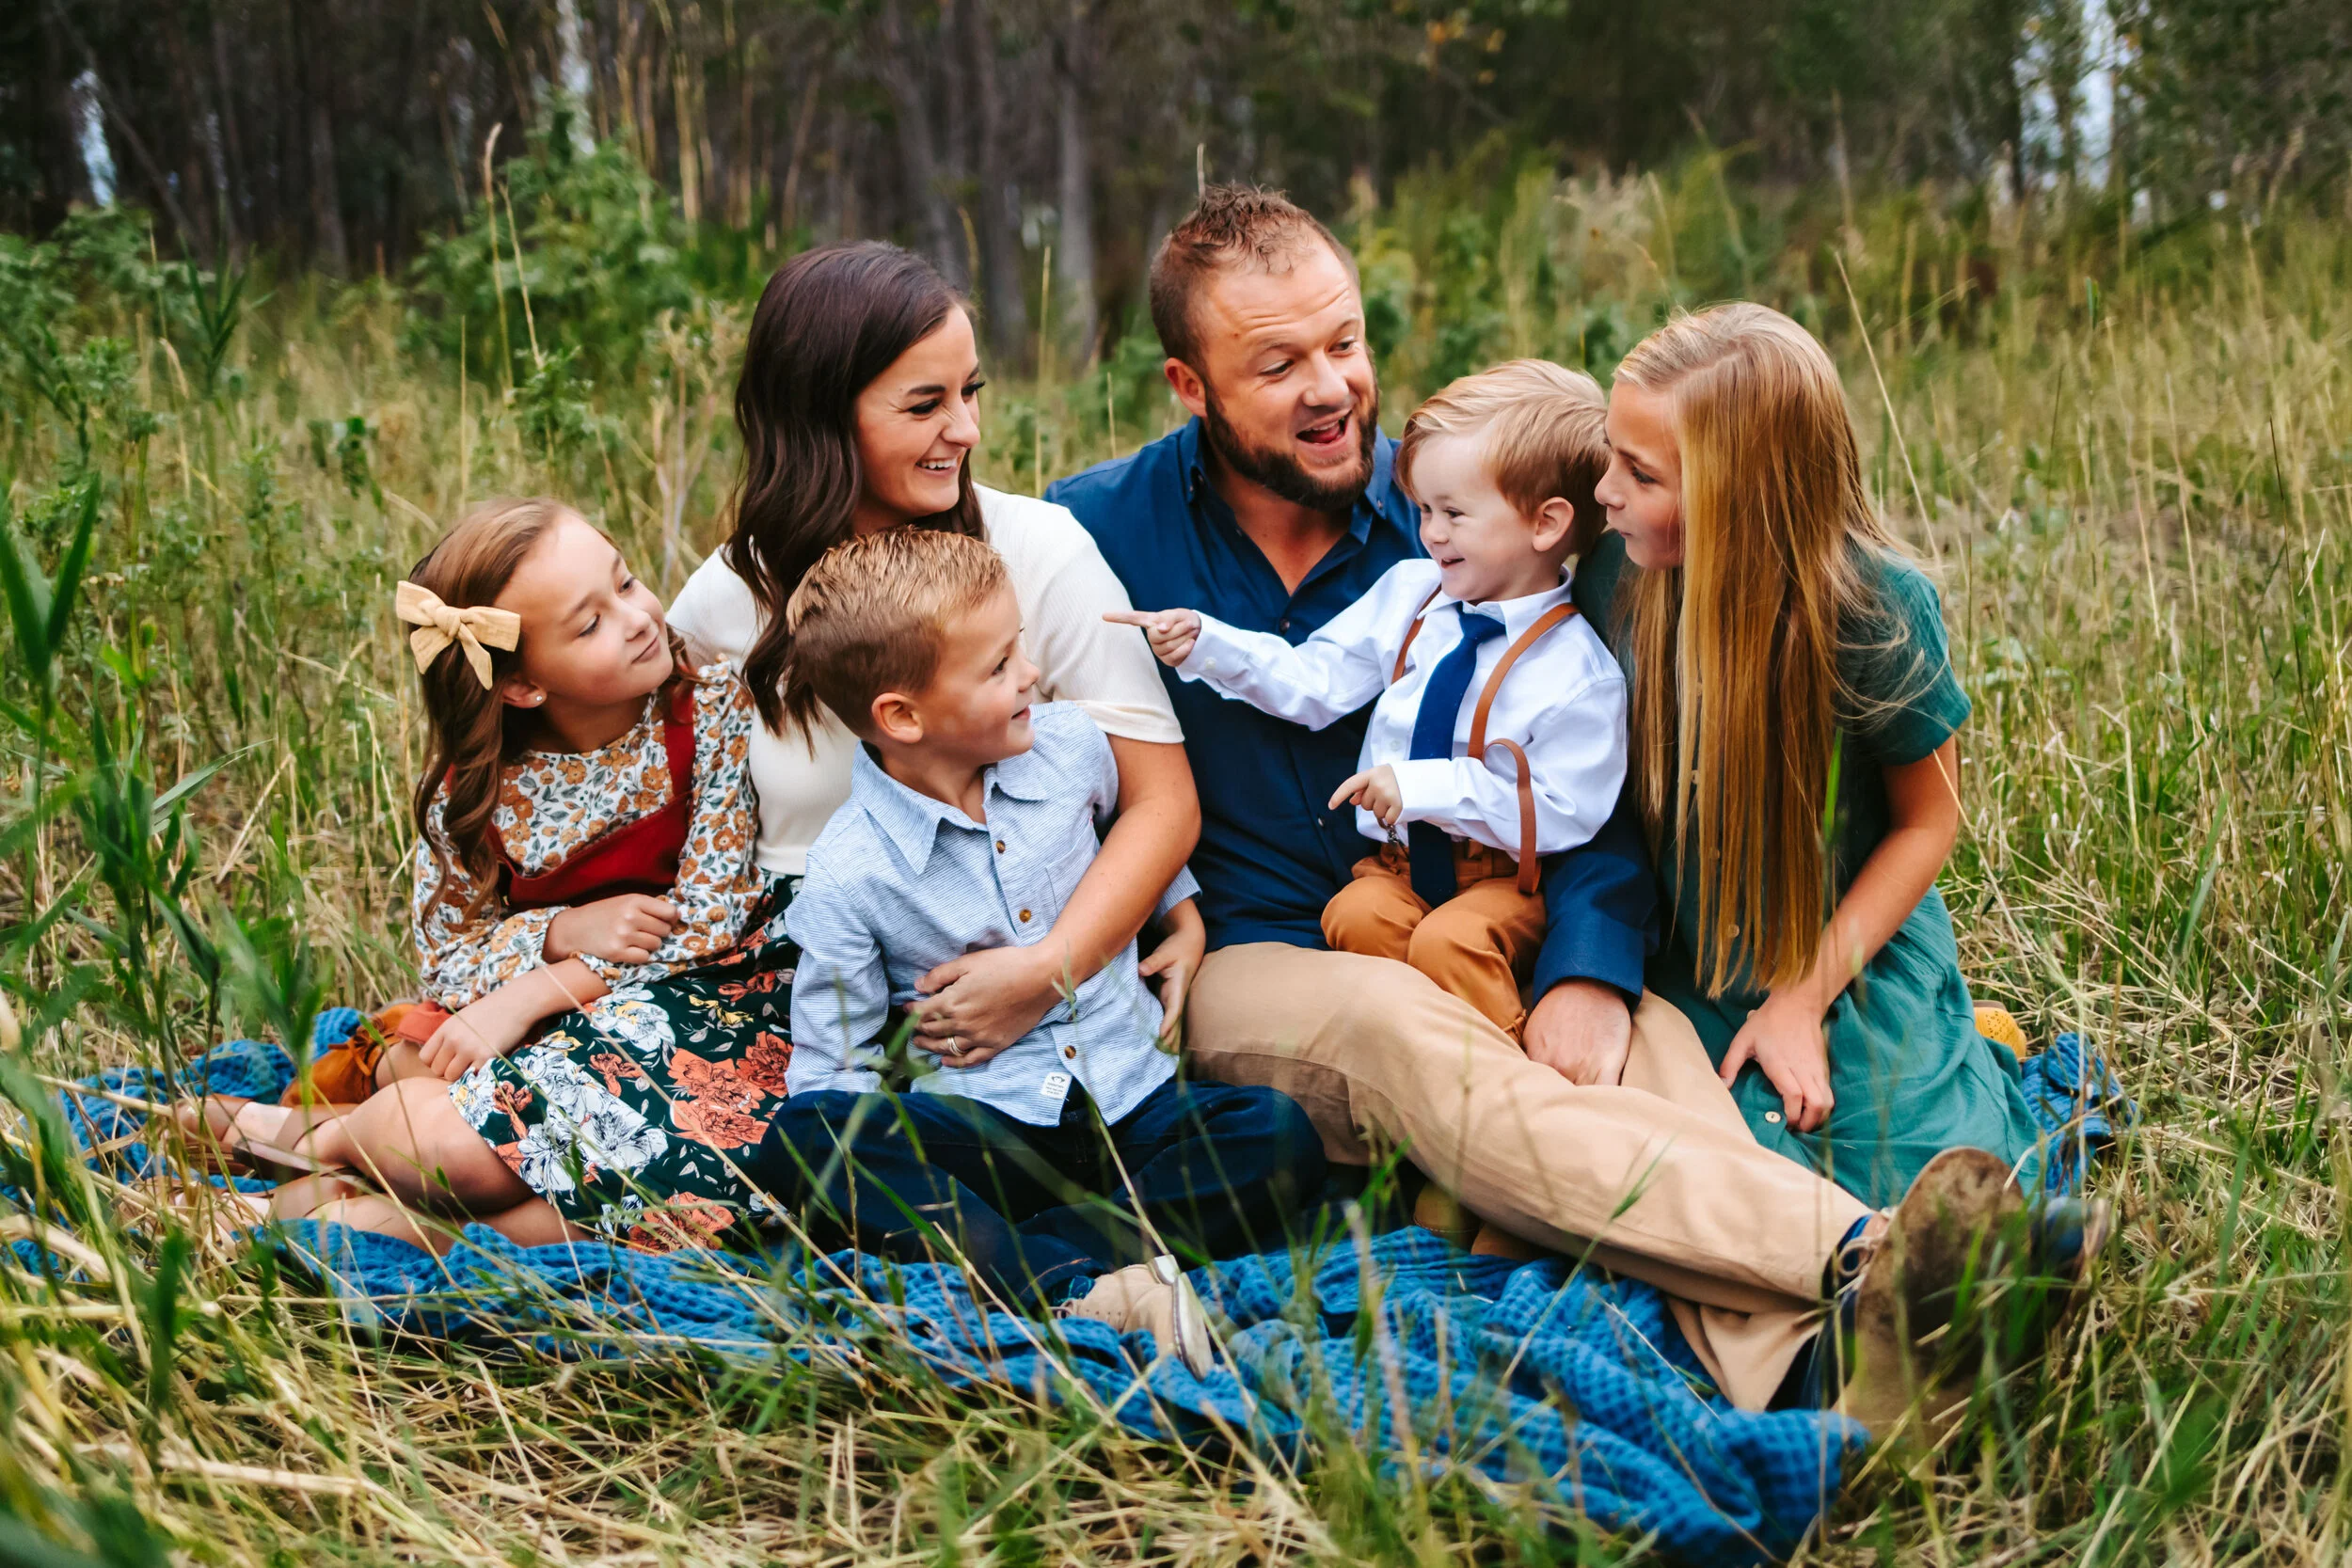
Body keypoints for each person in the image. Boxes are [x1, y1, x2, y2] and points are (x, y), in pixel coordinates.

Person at [1046, 183, 2095, 1432]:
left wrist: (1592, 964)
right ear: (1188, 383)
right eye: (1276, 364)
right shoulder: (1091, 534)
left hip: (1504, 916)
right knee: (1405, 1033)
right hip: (1271, 944)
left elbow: (1594, 771)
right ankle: (1874, 1255)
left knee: (1649, 1050)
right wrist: (1148, 892)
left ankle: (1829, 1374)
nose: (1330, 388)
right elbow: (1025, 745)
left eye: (1346, 343)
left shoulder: (1474, 496)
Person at [745, 530, 1327, 1374]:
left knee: (1277, 1135)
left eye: (1019, 648)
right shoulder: (848, 871)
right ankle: (1088, 1281)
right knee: (809, 1137)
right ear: (902, 716)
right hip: (997, 1129)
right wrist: (856, 1168)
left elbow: (1128, 829)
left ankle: (1038, 1269)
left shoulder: (1071, 746)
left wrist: (1179, 908)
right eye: (996, 666)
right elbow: (837, 1062)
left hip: (1136, 1105)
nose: (1029, 673)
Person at [668, 241, 1203, 1080]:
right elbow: (635, 778)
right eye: (925, 405)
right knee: (456, 1136)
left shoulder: (1038, 551)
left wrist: (1049, 968)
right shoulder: (736, 589)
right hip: (769, 976)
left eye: (970, 391)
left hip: (980, 991)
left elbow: (1160, 802)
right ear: (819, 418)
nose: (967, 429)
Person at [206, 498, 797, 1251]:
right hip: (547, 1025)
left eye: (625, 582)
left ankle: (335, 1187)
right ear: (522, 686)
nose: (639, 615)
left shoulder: (712, 711)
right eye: (590, 624)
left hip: (693, 1006)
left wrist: (538, 990)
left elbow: (709, 917)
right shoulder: (476, 791)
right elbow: (449, 954)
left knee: (629, 1186)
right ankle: (334, 1149)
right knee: (415, 1069)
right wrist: (554, 933)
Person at [1585, 301, 2042, 1208]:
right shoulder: (1616, 577)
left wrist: (1801, 996)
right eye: (1610, 455)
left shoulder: (1874, 612)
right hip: (1682, 948)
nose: (1604, 490)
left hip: (1838, 948)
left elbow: (1928, 821)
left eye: (1638, 473)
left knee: (1919, 1170)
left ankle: (1957, 1048)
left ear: (1738, 497)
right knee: (1697, 1165)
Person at [1110, 359, 1625, 1045]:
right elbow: (1314, 678)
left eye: (1453, 514)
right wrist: (1208, 643)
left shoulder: (1576, 670)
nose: (1430, 532)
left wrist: (1419, 786)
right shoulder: (1415, 596)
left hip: (1500, 875)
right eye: (1424, 511)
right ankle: (1411, 1064)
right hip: (1401, 866)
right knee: (1355, 916)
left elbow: (1561, 810)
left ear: (1545, 523)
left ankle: (1501, 1067)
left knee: (1450, 943)